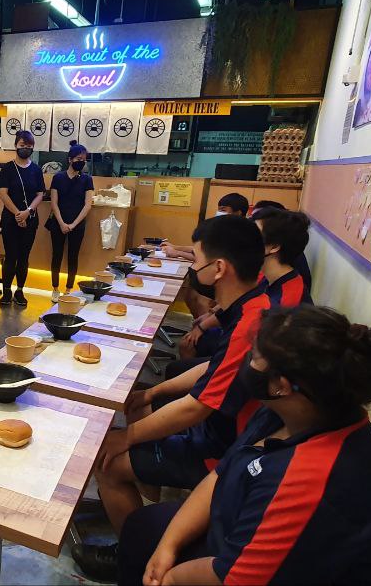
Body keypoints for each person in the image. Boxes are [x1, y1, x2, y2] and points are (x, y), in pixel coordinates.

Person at [118, 305, 371, 586]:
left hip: (246, 569)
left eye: (254, 356)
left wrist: (168, 578)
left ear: (280, 383)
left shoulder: (310, 480)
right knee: (143, 530)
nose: (247, 361)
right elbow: (222, 472)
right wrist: (168, 545)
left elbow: (231, 578)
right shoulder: (291, 410)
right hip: (234, 535)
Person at [88, 216, 268, 549]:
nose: (192, 268)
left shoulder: (249, 325)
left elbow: (197, 408)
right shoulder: (251, 303)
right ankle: (146, 498)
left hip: (225, 450)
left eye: (196, 261)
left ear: (218, 268)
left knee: (107, 463)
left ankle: (135, 552)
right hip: (221, 431)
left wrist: (124, 437)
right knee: (140, 399)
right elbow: (212, 369)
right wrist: (153, 392)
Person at [179, 208, 313, 360]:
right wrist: (209, 319)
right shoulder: (267, 276)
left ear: (274, 246)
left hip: (258, 357)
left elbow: (253, 359)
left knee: (187, 350)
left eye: (255, 233)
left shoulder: (284, 302)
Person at [0, 130, 45, 307]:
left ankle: (20, 291)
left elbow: (40, 194)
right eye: (22, 145)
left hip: (30, 220)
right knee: (10, 256)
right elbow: (3, 193)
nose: (25, 148)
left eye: (29, 146)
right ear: (16, 145)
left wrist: (28, 212)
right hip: (10, 220)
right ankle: (6, 291)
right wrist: (18, 214)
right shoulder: (7, 168)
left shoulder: (37, 170)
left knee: (24, 257)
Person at [48, 140, 94, 301]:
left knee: (73, 256)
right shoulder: (58, 178)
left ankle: (68, 289)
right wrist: (61, 223)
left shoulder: (87, 179)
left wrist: (73, 224)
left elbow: (88, 205)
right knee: (57, 255)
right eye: (78, 159)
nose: (81, 162)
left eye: (84, 160)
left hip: (78, 224)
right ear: (70, 159)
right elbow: (54, 202)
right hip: (58, 223)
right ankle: (55, 288)